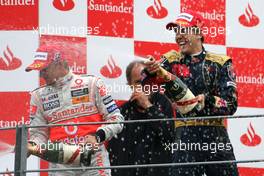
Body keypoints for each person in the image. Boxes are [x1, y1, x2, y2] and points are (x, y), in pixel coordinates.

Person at [144, 10, 239, 176]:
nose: (178, 36)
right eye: (176, 31)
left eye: (183, 30)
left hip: (216, 136)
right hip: (185, 133)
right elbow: (144, 82)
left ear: (199, 33)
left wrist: (207, 100)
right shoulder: (170, 59)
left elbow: (231, 105)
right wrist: (150, 71)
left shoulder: (221, 63)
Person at [26, 44, 124, 176]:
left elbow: (116, 119)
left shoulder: (92, 84)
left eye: (44, 69)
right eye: (39, 71)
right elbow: (38, 133)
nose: (41, 74)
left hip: (94, 161)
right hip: (60, 165)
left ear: (58, 63)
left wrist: (98, 136)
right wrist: (32, 145)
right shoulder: (38, 96)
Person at [108, 61, 175, 176]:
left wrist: (148, 106)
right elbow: (116, 156)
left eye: (147, 80)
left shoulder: (164, 104)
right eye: (139, 82)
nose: (144, 86)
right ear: (129, 84)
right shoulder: (122, 112)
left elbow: (169, 136)